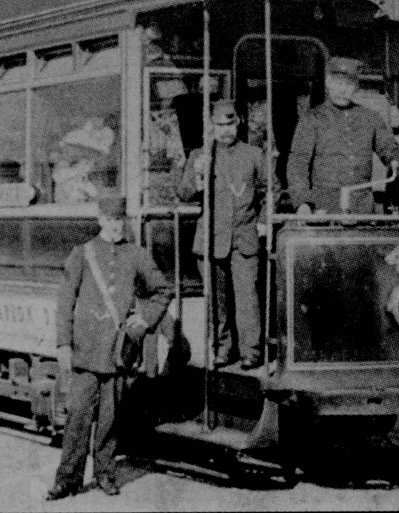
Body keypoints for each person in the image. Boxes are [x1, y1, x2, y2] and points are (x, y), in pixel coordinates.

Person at [46, 195, 172, 501]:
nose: (116, 226)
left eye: (120, 220)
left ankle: (104, 473)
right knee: (76, 415)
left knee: (110, 419)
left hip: (117, 351)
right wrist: (63, 342)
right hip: (86, 351)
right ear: (100, 219)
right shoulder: (82, 254)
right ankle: (68, 480)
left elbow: (162, 290)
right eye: (110, 219)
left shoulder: (136, 254)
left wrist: (143, 319)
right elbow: (65, 301)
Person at [176, 99, 278, 371]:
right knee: (216, 302)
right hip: (210, 240)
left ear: (238, 123)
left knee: (247, 299)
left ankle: (251, 352)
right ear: (211, 125)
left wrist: (265, 220)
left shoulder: (255, 155)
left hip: (244, 239)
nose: (225, 131)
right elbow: (184, 194)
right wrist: (197, 175)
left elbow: (272, 190)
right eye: (219, 125)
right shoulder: (200, 155)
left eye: (229, 124)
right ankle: (223, 349)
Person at [286, 56, 399, 215]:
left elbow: (392, 152)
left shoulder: (370, 118)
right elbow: (298, 163)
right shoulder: (312, 119)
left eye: (348, 84)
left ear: (356, 87)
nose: (342, 89)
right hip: (324, 209)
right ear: (328, 83)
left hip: (362, 210)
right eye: (338, 83)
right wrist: (302, 203)